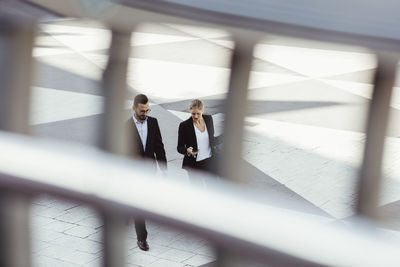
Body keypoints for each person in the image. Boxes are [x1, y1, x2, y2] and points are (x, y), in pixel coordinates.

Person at [126, 94, 167, 251]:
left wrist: (163, 168)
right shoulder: (125, 127)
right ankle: (141, 238)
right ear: (134, 108)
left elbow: (159, 146)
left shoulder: (153, 122)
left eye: (147, 110)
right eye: (142, 111)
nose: (145, 114)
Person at [177, 99, 220, 175]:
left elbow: (212, 140)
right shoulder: (184, 126)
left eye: (198, 114)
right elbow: (179, 147)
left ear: (202, 111)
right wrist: (187, 150)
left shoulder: (208, 119)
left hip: (210, 162)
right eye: (193, 114)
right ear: (190, 110)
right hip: (194, 165)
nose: (196, 116)